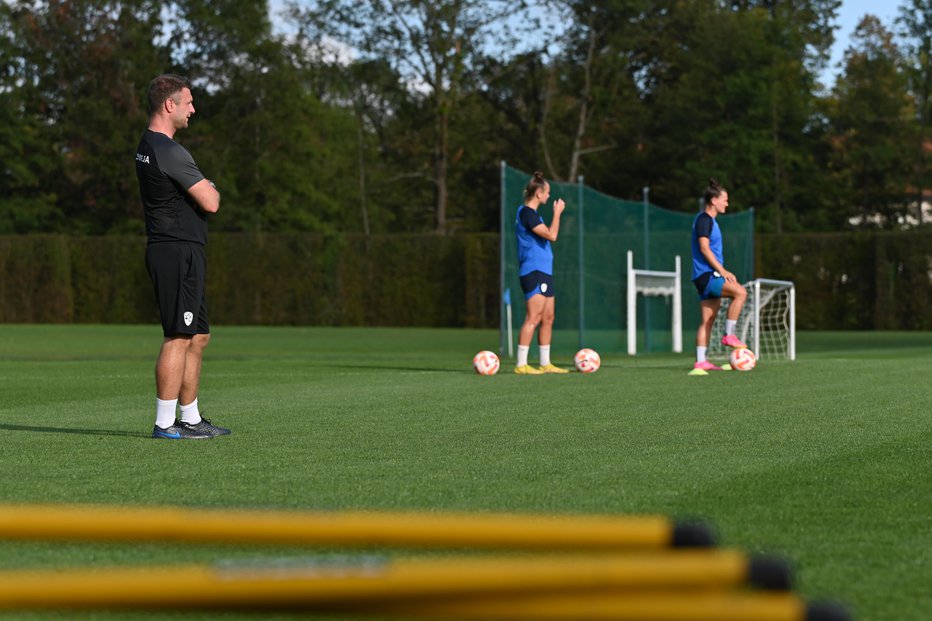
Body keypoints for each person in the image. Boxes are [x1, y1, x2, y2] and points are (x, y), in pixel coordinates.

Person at [135, 74, 229, 439]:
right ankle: (164, 423)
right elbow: (212, 201)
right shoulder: (168, 149)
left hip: (183, 249)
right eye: (188, 102)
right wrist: (209, 188)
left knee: (198, 334)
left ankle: (190, 417)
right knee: (177, 335)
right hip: (176, 251)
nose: (194, 108)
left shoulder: (150, 146)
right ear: (169, 105)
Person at [691, 178, 748, 373]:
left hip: (704, 276)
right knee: (740, 293)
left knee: (708, 320)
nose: (727, 203)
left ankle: (701, 362)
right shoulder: (704, 219)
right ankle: (729, 335)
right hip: (707, 275)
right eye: (724, 199)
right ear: (714, 200)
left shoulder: (709, 221)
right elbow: (704, 248)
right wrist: (723, 271)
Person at [514, 171, 568, 374]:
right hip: (533, 271)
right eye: (547, 193)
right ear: (538, 193)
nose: (549, 196)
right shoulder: (527, 213)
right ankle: (521, 364)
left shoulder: (534, 215)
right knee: (533, 317)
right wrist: (557, 213)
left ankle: (545, 363)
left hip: (544, 271)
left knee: (548, 318)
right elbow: (552, 235)